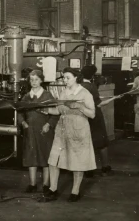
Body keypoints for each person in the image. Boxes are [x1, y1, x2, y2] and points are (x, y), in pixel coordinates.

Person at [44, 67, 96, 202]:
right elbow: (59, 111)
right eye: (64, 78)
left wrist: (80, 107)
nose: (65, 80)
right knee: (54, 160)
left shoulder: (85, 93)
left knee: (77, 161)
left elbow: (92, 114)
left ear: (75, 78)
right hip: (62, 130)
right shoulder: (63, 93)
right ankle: (53, 189)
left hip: (78, 130)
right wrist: (44, 110)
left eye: (67, 78)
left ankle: (75, 191)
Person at [20, 70, 58, 193]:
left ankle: (46, 184)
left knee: (45, 157)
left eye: (36, 79)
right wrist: (23, 123)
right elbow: (19, 112)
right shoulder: (26, 96)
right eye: (31, 80)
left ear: (41, 80)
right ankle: (32, 184)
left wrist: (49, 124)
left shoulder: (48, 95)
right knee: (31, 156)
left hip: (44, 131)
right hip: (30, 131)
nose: (34, 82)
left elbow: (56, 114)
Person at [80, 65, 112, 174]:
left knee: (86, 142)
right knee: (101, 142)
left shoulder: (79, 86)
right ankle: (105, 166)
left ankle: (87, 169)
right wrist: (113, 98)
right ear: (92, 75)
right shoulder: (91, 86)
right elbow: (98, 103)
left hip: (83, 115)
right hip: (95, 116)